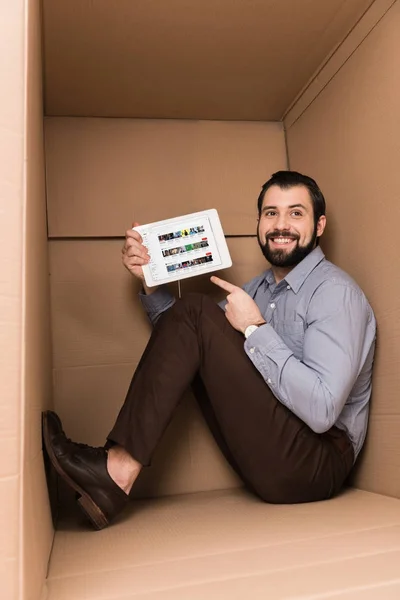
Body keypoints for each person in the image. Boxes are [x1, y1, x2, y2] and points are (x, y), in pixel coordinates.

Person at [43, 170, 376, 530]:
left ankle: (116, 472)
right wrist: (151, 282)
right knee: (194, 314)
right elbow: (186, 344)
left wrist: (254, 328)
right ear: (259, 223)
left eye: (296, 213)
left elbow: (324, 410)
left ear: (320, 225)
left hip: (316, 464)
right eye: (270, 213)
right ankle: (113, 473)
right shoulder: (258, 290)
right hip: (267, 453)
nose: (281, 225)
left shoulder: (335, 293)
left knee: (197, 310)